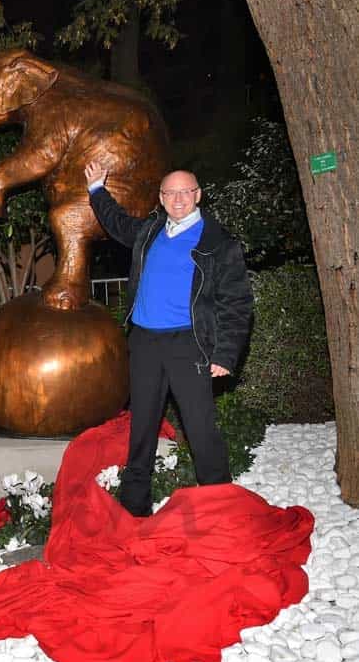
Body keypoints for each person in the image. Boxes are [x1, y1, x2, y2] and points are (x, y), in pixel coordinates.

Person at [84, 162, 254, 517]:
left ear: (198, 195)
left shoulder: (217, 243)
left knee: (200, 426)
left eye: (185, 192)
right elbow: (116, 224)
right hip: (144, 342)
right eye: (170, 193)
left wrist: (225, 353)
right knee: (142, 425)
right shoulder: (151, 230)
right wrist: (97, 189)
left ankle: (219, 506)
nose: (178, 199)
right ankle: (134, 507)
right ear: (161, 199)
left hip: (188, 344)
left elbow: (236, 304)